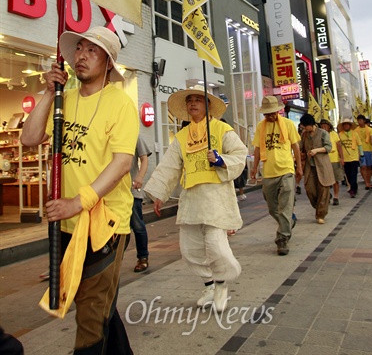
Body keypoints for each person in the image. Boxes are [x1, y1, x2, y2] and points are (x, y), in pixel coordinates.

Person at [20, 26, 137, 354]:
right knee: (98, 307)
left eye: (92, 51)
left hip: (105, 224)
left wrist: (78, 202)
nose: (81, 56)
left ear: (109, 63)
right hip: (67, 222)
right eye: (80, 49)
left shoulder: (119, 103)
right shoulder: (64, 98)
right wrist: (48, 92)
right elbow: (29, 139)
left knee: (90, 315)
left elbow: (122, 163)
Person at [144, 85, 247, 313]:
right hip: (191, 197)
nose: (192, 103)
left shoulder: (222, 130)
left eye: (198, 100)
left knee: (215, 245)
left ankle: (221, 284)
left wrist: (220, 160)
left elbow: (240, 155)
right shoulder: (181, 137)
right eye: (189, 100)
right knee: (190, 248)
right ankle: (209, 286)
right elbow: (170, 166)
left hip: (216, 198)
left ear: (208, 105)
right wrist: (159, 194)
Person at [250, 96, 302, 256]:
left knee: (285, 206)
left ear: (278, 111)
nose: (270, 116)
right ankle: (288, 223)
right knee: (273, 208)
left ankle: (282, 238)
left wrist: (299, 166)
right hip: (268, 172)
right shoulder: (261, 127)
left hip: (286, 170)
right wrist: (254, 168)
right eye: (267, 114)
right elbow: (258, 148)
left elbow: (295, 146)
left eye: (272, 113)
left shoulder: (287, 124)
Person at [300, 114, 334, 224]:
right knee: (310, 189)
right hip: (310, 167)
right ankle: (319, 206)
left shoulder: (323, 133)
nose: (305, 129)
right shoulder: (304, 135)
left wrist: (317, 150)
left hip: (322, 166)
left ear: (311, 124)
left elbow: (328, 147)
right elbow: (301, 149)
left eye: (306, 127)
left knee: (323, 190)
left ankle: (321, 214)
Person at [130, 136, 151, 273]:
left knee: (138, 226)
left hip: (132, 189)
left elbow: (144, 158)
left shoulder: (134, 135)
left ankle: (143, 257)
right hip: (111, 191)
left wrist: (140, 176)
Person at [320, 118, 344, 205]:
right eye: (322, 127)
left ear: (329, 127)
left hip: (334, 160)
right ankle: (327, 195)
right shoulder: (320, 135)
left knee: (336, 180)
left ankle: (336, 196)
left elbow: (339, 146)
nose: (324, 128)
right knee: (325, 180)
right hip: (324, 160)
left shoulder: (334, 134)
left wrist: (342, 158)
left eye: (325, 126)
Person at [338, 118, 363, 197]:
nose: (346, 126)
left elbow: (359, 144)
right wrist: (340, 157)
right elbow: (338, 146)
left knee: (354, 174)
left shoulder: (355, 134)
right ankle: (354, 187)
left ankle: (352, 189)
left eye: (347, 124)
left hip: (354, 157)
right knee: (348, 174)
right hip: (344, 158)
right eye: (344, 124)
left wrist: (361, 154)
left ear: (350, 125)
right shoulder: (340, 135)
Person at [355, 115, 372, 189]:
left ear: (364, 121)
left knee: (369, 167)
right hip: (360, 150)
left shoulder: (369, 129)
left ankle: (368, 181)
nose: (359, 122)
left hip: (368, 149)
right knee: (363, 166)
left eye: (361, 120)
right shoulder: (356, 130)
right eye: (358, 120)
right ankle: (366, 183)